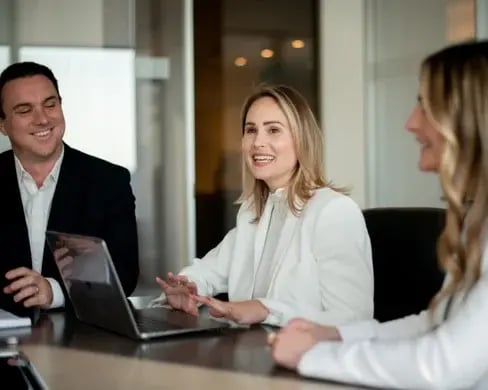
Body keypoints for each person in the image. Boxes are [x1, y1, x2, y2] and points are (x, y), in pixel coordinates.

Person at [270, 40, 488, 389]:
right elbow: (437, 323)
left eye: (425, 104)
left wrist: (310, 355)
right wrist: (334, 336)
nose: (411, 123)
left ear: (468, 118)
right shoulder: (477, 221)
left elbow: (441, 367)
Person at [153, 84, 374, 327]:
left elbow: (354, 319)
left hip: (306, 358)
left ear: (302, 140)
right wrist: (187, 287)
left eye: (273, 130)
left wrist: (266, 309)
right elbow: (210, 270)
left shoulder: (334, 211)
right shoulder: (253, 212)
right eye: (251, 130)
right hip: (250, 352)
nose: (258, 142)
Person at [0, 61, 139, 317]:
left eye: (50, 104)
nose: (42, 119)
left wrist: (53, 291)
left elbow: (124, 274)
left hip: (83, 340)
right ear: (2, 124)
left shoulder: (108, 181)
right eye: (24, 110)